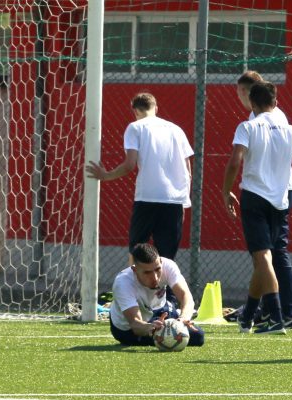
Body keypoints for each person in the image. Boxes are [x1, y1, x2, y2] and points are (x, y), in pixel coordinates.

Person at [222, 81, 292, 334]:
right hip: (281, 201)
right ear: (275, 103)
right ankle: (248, 317)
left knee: (263, 257)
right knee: (263, 260)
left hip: (254, 197)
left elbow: (235, 161)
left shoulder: (248, 126)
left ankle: (277, 317)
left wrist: (226, 191)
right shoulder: (291, 130)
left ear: (252, 105)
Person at [86, 92, 194, 301]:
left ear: (135, 110)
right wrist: (183, 200)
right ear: (156, 107)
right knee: (166, 256)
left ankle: (132, 298)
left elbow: (129, 165)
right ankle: (166, 302)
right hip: (173, 200)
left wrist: (105, 175)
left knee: (136, 250)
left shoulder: (135, 128)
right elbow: (187, 168)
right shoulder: (176, 130)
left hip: (147, 198)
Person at [235, 70, 292, 329]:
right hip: (275, 190)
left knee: (269, 255)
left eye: (242, 91)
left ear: (252, 94)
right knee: (263, 256)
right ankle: (252, 313)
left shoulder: (264, 118)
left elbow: (240, 160)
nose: (239, 97)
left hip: (272, 191)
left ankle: (282, 313)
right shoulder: (261, 117)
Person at [109, 243, 204, 347]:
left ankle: (172, 313)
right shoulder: (123, 282)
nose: (154, 277)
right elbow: (136, 324)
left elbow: (186, 297)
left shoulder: (168, 265)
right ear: (135, 270)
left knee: (198, 337)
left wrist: (183, 318)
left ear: (161, 262)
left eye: (158, 269)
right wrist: (151, 327)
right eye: (147, 272)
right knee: (168, 339)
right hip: (128, 328)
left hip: (160, 311)